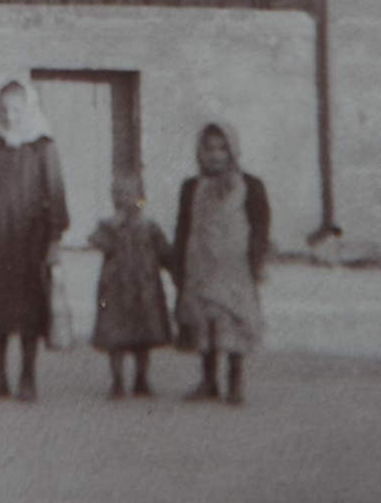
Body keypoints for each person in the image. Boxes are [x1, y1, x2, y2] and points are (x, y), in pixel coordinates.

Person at [0, 78, 69, 402]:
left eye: (17, 109)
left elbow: (56, 195)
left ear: (29, 109)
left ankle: (28, 377)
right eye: (4, 109)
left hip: (29, 243)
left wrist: (53, 239)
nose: (10, 116)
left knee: (29, 310)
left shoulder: (43, 148)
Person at [171, 121, 270, 406]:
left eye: (222, 148)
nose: (215, 155)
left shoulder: (250, 185)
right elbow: (183, 226)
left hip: (233, 265)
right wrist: (177, 264)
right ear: (200, 152)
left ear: (232, 151)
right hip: (200, 262)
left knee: (233, 320)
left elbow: (260, 225)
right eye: (209, 149)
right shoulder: (191, 187)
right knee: (204, 321)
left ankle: (235, 381)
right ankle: (208, 380)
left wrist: (257, 259)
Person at [87, 168, 173, 399]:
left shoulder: (149, 226)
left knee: (143, 337)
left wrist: (174, 266)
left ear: (141, 197)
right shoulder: (109, 225)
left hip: (144, 288)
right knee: (115, 336)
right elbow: (96, 241)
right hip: (115, 288)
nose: (123, 199)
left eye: (129, 194)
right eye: (118, 194)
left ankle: (141, 378)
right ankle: (117, 380)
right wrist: (114, 227)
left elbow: (165, 251)